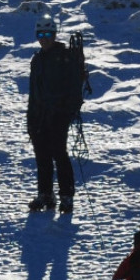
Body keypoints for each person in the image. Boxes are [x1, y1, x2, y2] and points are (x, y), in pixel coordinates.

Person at [26, 14, 87, 214]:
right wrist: (31, 117)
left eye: (48, 34)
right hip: (39, 115)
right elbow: (33, 91)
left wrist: (66, 112)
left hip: (58, 115)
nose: (44, 38)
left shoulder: (65, 58)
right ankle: (45, 194)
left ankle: (67, 196)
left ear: (54, 34)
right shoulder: (37, 59)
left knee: (59, 154)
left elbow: (73, 89)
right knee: (42, 155)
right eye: (41, 34)